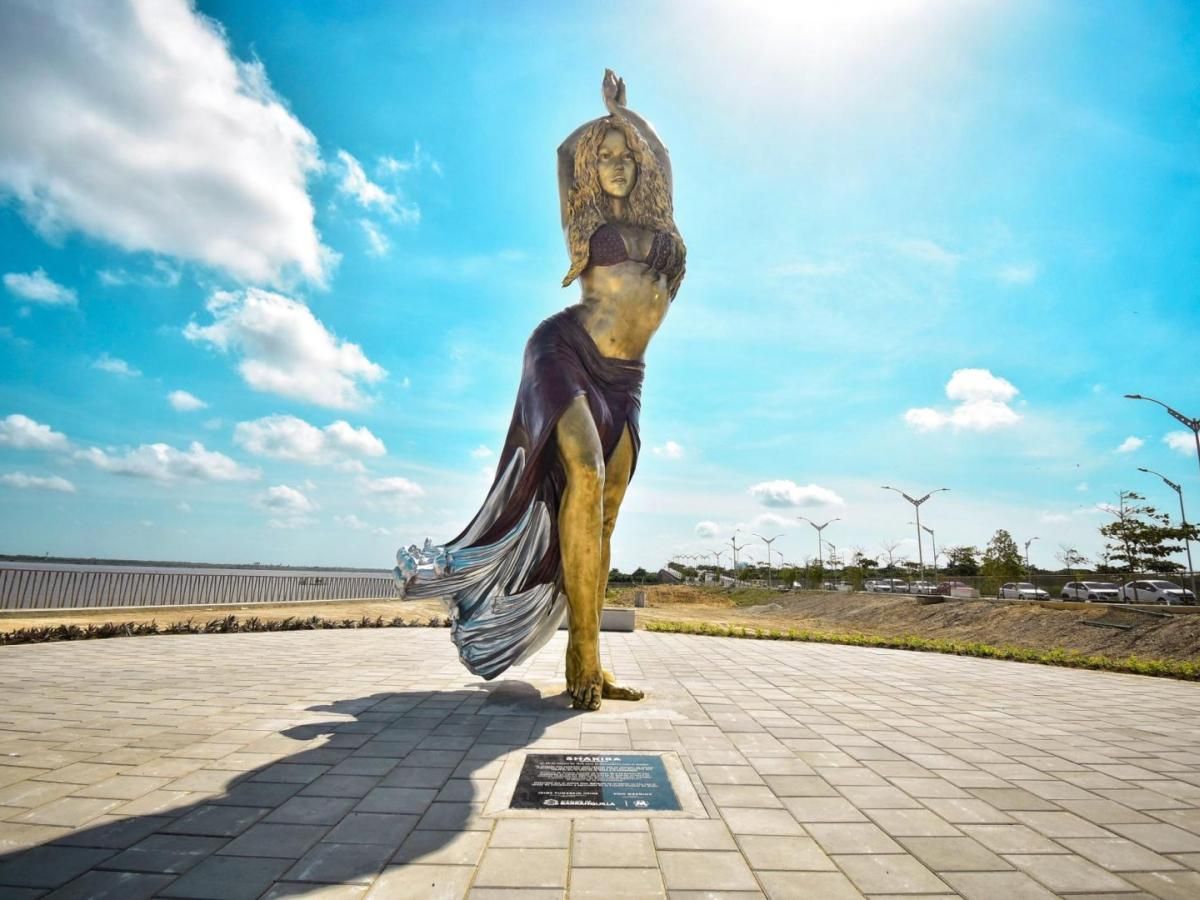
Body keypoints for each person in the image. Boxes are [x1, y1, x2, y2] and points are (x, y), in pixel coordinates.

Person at [396, 70, 686, 710]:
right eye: (605, 156)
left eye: (624, 156)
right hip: (563, 352)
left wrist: (628, 116)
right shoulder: (586, 225)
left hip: (626, 381)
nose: (617, 164)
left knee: (603, 517)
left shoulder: (660, 217)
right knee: (584, 473)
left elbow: (663, 158)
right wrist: (602, 118)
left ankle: (590, 654)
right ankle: (581, 662)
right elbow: (564, 155)